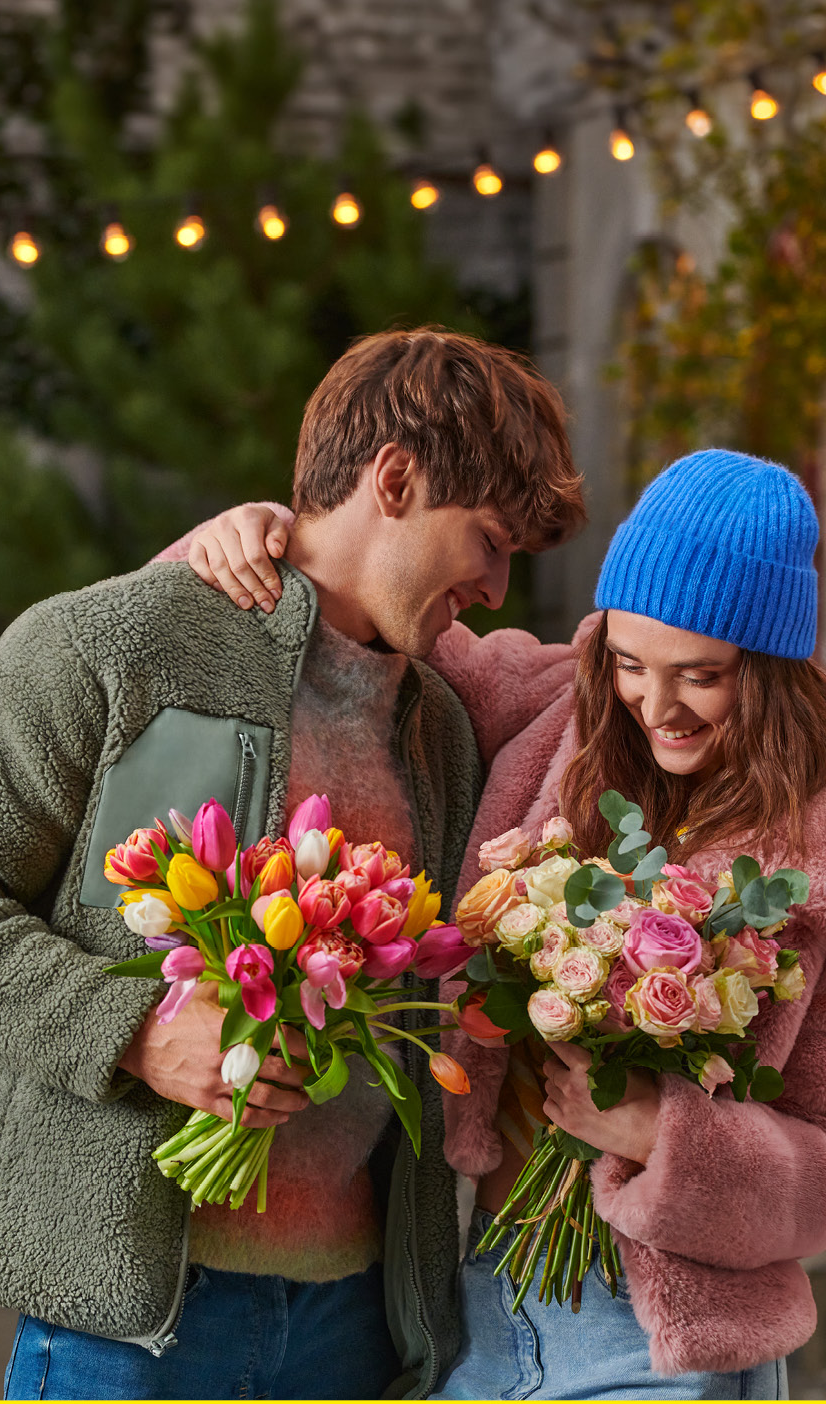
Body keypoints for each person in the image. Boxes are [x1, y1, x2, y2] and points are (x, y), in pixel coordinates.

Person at [0, 328, 586, 1402]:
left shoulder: (441, 727)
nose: (495, 587)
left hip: (359, 1329)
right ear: (394, 478)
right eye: (487, 541)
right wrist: (136, 1035)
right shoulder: (117, 645)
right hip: (128, 1334)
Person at [180, 447, 826, 1399]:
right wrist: (255, 536)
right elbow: (374, 605)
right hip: (474, 1297)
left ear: (770, 672)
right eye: (630, 662)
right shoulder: (555, 707)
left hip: (653, 1331)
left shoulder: (806, 852)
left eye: (702, 675)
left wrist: (668, 1136)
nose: (656, 704)